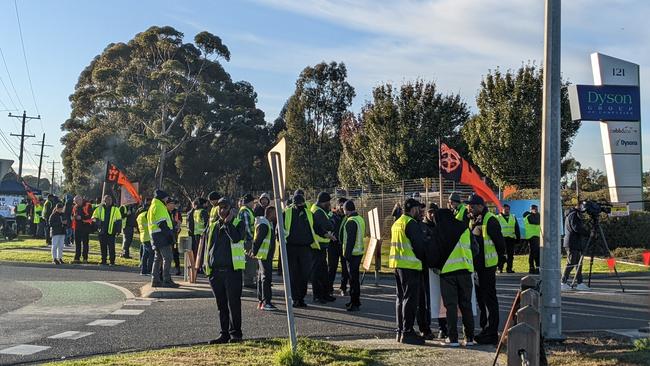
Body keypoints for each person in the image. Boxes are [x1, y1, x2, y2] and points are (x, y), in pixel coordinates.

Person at [466, 194, 505, 345]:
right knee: (481, 300)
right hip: (477, 268)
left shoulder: (490, 220)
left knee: (490, 300)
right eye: (469, 205)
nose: (470, 208)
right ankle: (485, 329)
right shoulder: (474, 221)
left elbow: (500, 244)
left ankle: (492, 332)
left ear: (481, 206)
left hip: (488, 267)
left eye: (472, 205)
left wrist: (500, 261)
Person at [205, 197, 245, 344]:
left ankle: (236, 334)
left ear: (231, 209)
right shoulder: (214, 225)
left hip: (232, 271)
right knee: (221, 305)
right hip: (216, 272)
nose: (222, 210)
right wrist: (207, 267)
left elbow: (236, 238)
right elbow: (209, 247)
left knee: (233, 304)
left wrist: (228, 224)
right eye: (220, 208)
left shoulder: (238, 224)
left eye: (225, 207)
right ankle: (224, 333)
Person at [438, 207, 475, 348]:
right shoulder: (465, 228)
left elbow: (434, 251)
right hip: (466, 270)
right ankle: (469, 338)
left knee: (451, 306)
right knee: (466, 305)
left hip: (448, 273)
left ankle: (453, 338)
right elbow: (475, 248)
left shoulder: (441, 230)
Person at [390, 198, 426, 345]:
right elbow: (419, 246)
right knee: (410, 300)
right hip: (410, 266)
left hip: (397, 264)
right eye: (419, 209)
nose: (421, 212)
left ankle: (400, 330)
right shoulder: (410, 223)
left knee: (400, 298)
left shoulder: (397, 222)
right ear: (413, 209)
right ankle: (408, 332)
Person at [284, 193, 318, 308]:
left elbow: (317, 227)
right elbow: (280, 228)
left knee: (304, 274)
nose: (300, 205)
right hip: (291, 248)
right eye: (298, 203)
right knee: (293, 275)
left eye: (302, 203)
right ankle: (295, 299)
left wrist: (326, 233)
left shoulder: (308, 213)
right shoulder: (287, 213)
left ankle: (301, 298)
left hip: (305, 248)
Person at [148, 190, 178, 288]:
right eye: (166, 198)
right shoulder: (159, 206)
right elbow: (162, 224)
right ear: (162, 198)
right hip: (161, 236)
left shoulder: (153, 206)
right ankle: (167, 280)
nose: (167, 199)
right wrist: (170, 236)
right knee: (167, 257)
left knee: (158, 258)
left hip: (155, 235)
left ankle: (155, 280)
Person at [310, 192, 336, 304]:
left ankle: (324, 294)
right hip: (317, 245)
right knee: (318, 272)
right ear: (324, 202)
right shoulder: (318, 212)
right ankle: (318, 295)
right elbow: (328, 225)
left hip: (321, 245)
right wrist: (332, 219)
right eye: (328, 202)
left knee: (323, 271)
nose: (329, 204)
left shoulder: (320, 210)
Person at [417, 202, 438, 340]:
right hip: (423, 268)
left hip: (435, 268)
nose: (432, 214)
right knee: (423, 300)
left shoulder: (439, 226)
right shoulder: (421, 227)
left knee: (435, 300)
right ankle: (425, 328)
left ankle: (441, 328)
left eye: (434, 212)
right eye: (429, 212)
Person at [341, 199, 365, 312]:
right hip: (358, 252)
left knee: (353, 280)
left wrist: (346, 255)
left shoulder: (351, 221)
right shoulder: (359, 218)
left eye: (344, 210)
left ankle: (354, 303)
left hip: (353, 254)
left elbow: (350, 240)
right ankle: (354, 301)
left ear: (347, 210)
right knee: (354, 279)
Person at [252, 206, 277, 311]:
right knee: (266, 278)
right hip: (264, 255)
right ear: (270, 213)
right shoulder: (264, 224)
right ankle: (266, 302)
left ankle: (262, 301)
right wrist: (254, 250)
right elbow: (258, 238)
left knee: (261, 278)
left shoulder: (266, 223)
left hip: (264, 254)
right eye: (275, 213)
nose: (276, 216)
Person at [562, 204, 589, 291]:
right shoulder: (573, 215)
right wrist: (587, 232)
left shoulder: (572, 214)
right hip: (572, 242)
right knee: (571, 262)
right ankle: (563, 282)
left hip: (575, 242)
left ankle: (580, 283)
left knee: (578, 264)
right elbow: (576, 228)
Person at [92, 195, 123, 266]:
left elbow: (119, 220)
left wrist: (118, 230)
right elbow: (93, 218)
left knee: (112, 247)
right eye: (107, 199)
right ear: (104, 200)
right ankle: (103, 260)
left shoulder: (115, 209)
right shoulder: (99, 208)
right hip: (102, 231)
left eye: (110, 200)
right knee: (103, 247)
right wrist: (97, 221)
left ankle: (112, 261)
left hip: (111, 231)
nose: (109, 201)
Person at [328, 197, 348, 297]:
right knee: (332, 267)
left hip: (343, 245)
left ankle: (343, 288)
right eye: (341, 205)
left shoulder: (347, 217)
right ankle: (329, 288)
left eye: (344, 206)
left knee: (345, 268)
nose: (342, 208)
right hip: (332, 244)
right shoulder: (331, 215)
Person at [238, 193, 257, 288]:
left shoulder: (246, 210)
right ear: (249, 202)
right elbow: (247, 227)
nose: (254, 204)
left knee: (250, 261)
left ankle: (249, 280)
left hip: (247, 240)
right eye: (253, 202)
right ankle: (248, 281)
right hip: (248, 240)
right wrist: (253, 238)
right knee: (249, 261)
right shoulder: (245, 211)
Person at [497, 204, 520, 273]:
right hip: (502, 239)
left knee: (510, 255)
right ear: (502, 210)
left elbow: (516, 228)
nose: (507, 211)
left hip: (511, 238)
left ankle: (509, 268)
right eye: (505, 209)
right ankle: (500, 268)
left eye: (508, 209)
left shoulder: (513, 217)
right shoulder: (498, 217)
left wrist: (518, 238)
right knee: (500, 254)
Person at [188, 198, 209, 273]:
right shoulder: (203, 211)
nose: (207, 205)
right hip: (202, 234)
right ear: (203, 204)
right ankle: (201, 267)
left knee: (198, 251)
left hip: (196, 233)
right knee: (202, 252)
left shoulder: (195, 211)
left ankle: (198, 266)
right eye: (206, 203)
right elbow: (207, 223)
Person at [71, 195, 93, 263]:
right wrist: (73, 217)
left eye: (77, 201)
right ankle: (77, 258)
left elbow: (90, 216)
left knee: (85, 243)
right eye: (75, 202)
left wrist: (81, 217)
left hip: (85, 227)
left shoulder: (88, 205)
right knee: (77, 243)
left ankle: (85, 258)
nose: (76, 203)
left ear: (80, 200)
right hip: (77, 227)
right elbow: (72, 214)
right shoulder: (75, 207)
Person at [523, 204, 541, 274]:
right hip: (531, 236)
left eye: (536, 209)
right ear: (531, 209)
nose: (536, 210)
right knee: (533, 253)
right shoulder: (528, 216)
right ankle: (531, 267)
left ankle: (537, 267)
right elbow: (537, 221)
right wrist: (539, 215)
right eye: (534, 209)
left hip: (537, 236)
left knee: (537, 252)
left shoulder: (536, 215)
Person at [136, 205, 153, 275]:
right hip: (149, 237)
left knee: (145, 255)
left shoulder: (139, 217)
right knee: (151, 254)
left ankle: (143, 270)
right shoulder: (147, 214)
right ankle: (149, 270)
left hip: (143, 237)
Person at [168, 199, 183, 276]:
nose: (173, 205)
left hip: (174, 234)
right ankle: (165, 270)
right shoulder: (165, 211)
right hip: (166, 234)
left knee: (175, 252)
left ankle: (178, 269)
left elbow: (179, 221)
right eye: (171, 203)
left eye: (174, 204)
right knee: (166, 253)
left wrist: (178, 226)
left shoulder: (176, 212)